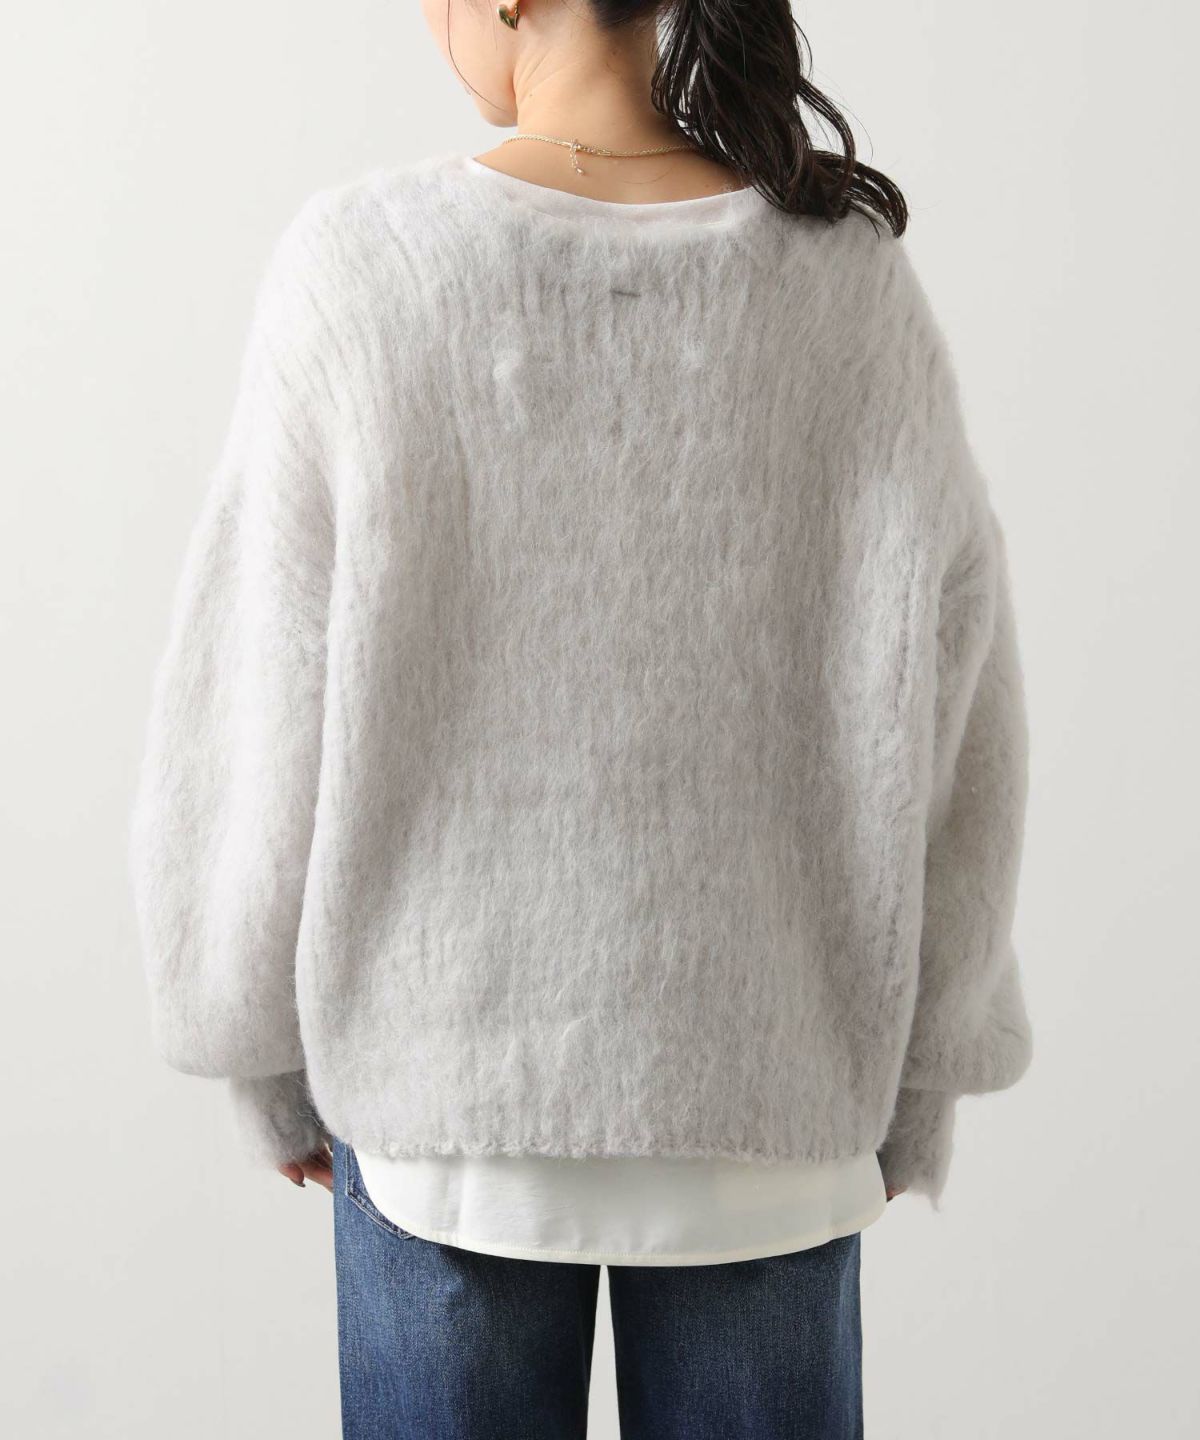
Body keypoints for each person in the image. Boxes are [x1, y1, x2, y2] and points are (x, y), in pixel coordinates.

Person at [128, 1, 1033, 1435]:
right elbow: (958, 707)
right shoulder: (847, 285)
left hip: (442, 1119)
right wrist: (927, 1075)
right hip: (776, 1122)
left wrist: (256, 1056)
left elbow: (254, 696)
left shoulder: (362, 271)